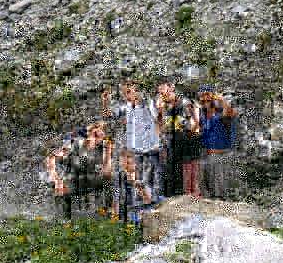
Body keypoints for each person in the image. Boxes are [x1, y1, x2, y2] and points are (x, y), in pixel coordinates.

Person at [102, 79, 163, 207]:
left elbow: (157, 120)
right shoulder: (125, 107)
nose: (126, 95)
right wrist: (105, 102)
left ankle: (156, 204)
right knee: (138, 180)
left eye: (128, 91)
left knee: (154, 177)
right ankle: (141, 207)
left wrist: (158, 141)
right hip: (135, 150)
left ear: (135, 90)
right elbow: (109, 115)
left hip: (151, 147)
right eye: (124, 92)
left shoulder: (147, 103)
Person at [46, 121, 114, 219]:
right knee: (64, 190)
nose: (97, 139)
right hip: (72, 180)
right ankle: (64, 220)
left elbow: (107, 174)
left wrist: (108, 153)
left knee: (107, 180)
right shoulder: (76, 143)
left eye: (101, 136)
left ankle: (109, 214)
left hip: (88, 181)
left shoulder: (102, 149)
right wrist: (56, 179)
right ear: (89, 133)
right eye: (95, 134)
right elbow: (52, 157)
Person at [156, 78, 202, 198]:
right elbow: (161, 128)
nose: (162, 95)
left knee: (187, 179)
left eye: (163, 91)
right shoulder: (165, 107)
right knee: (170, 176)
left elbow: (194, 124)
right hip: (171, 146)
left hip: (186, 146)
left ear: (171, 88)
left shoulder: (185, 103)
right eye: (160, 93)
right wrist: (160, 112)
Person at [196, 84, 240, 200]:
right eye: (201, 96)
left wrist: (222, 100)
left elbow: (230, 114)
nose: (204, 98)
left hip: (221, 153)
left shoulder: (221, 111)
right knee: (207, 185)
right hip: (206, 153)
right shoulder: (202, 114)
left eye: (207, 95)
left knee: (220, 188)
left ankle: (222, 205)